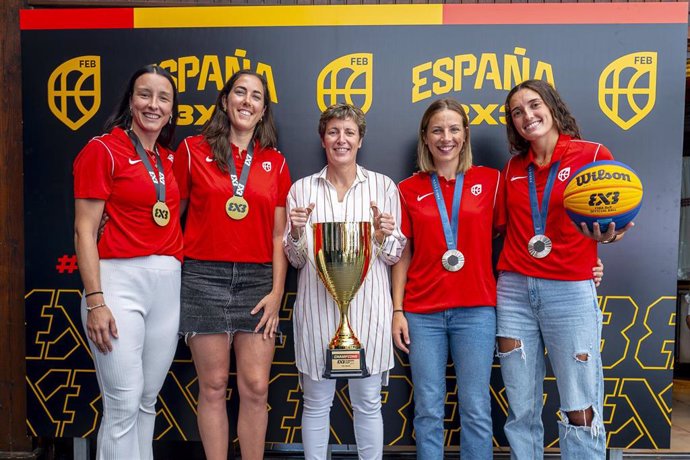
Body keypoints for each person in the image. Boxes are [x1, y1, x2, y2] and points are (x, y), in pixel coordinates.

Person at [495, 79, 632, 459]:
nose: (527, 116)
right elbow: (505, 230)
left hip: (569, 291)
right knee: (521, 407)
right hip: (514, 292)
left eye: (534, 105)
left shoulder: (592, 155)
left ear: (553, 106)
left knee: (580, 404)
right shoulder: (513, 168)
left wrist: (608, 238)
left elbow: (614, 219)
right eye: (517, 112)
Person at [173, 70, 290, 460]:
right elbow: (171, 214)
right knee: (213, 385)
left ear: (263, 111)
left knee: (256, 386)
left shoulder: (275, 161)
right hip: (203, 276)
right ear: (225, 101)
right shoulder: (191, 150)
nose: (247, 101)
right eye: (240, 92)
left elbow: (279, 236)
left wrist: (277, 292)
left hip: (258, 281)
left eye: (256, 96)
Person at [284, 103, 406, 460]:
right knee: (316, 403)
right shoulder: (301, 190)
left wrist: (385, 235)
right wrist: (294, 232)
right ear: (323, 139)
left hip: (368, 316)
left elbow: (394, 256)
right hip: (318, 315)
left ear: (360, 139)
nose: (341, 140)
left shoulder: (384, 187)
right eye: (334, 132)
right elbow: (295, 260)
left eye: (349, 132)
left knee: (368, 403)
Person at [73, 64, 183, 460]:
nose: (153, 104)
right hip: (118, 279)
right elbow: (85, 231)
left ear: (172, 110)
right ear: (130, 101)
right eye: (145, 95)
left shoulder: (171, 162)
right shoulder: (101, 149)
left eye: (163, 98)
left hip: (168, 282)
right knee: (122, 401)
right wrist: (96, 300)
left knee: (146, 399)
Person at [391, 98, 499, 459]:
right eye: (437, 129)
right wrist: (397, 310)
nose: (446, 137)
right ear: (425, 137)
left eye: (454, 129)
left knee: (476, 408)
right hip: (423, 314)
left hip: (477, 311)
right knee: (428, 410)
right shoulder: (407, 188)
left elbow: (523, 233)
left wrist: (587, 259)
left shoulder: (491, 180)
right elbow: (402, 253)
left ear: (465, 135)